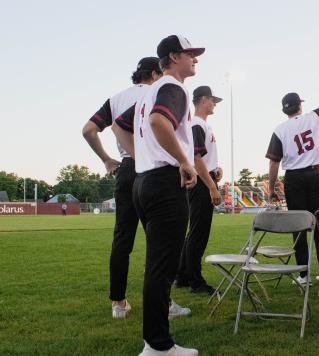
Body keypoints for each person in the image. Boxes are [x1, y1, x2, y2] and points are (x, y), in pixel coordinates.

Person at [117, 34, 202, 356]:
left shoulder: (146, 93)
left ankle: (155, 343)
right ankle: (158, 346)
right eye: (190, 54)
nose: (195, 59)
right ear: (174, 56)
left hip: (144, 180)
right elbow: (157, 121)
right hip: (164, 182)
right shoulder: (174, 87)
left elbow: (120, 125)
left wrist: (141, 156)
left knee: (157, 265)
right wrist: (184, 162)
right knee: (161, 267)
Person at [82, 57, 162, 319]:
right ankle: (165, 302)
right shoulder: (160, 92)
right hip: (153, 167)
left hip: (126, 169)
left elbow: (89, 130)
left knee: (122, 240)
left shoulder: (116, 99)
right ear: (154, 73)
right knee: (160, 241)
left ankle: (118, 303)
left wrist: (106, 159)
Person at [265, 69, 319, 285]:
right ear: (300, 105)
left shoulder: (280, 129)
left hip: (294, 178)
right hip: (315, 173)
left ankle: (304, 274)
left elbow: (273, 162)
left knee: (298, 225)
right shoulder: (313, 118)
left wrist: (271, 188)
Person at [174, 86, 223, 295]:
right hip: (201, 182)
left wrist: (217, 168)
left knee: (194, 232)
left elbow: (204, 156)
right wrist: (212, 186)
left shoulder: (202, 125)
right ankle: (196, 281)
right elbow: (196, 158)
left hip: (205, 177)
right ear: (203, 100)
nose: (214, 104)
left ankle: (183, 275)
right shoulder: (196, 123)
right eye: (212, 100)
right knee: (198, 234)